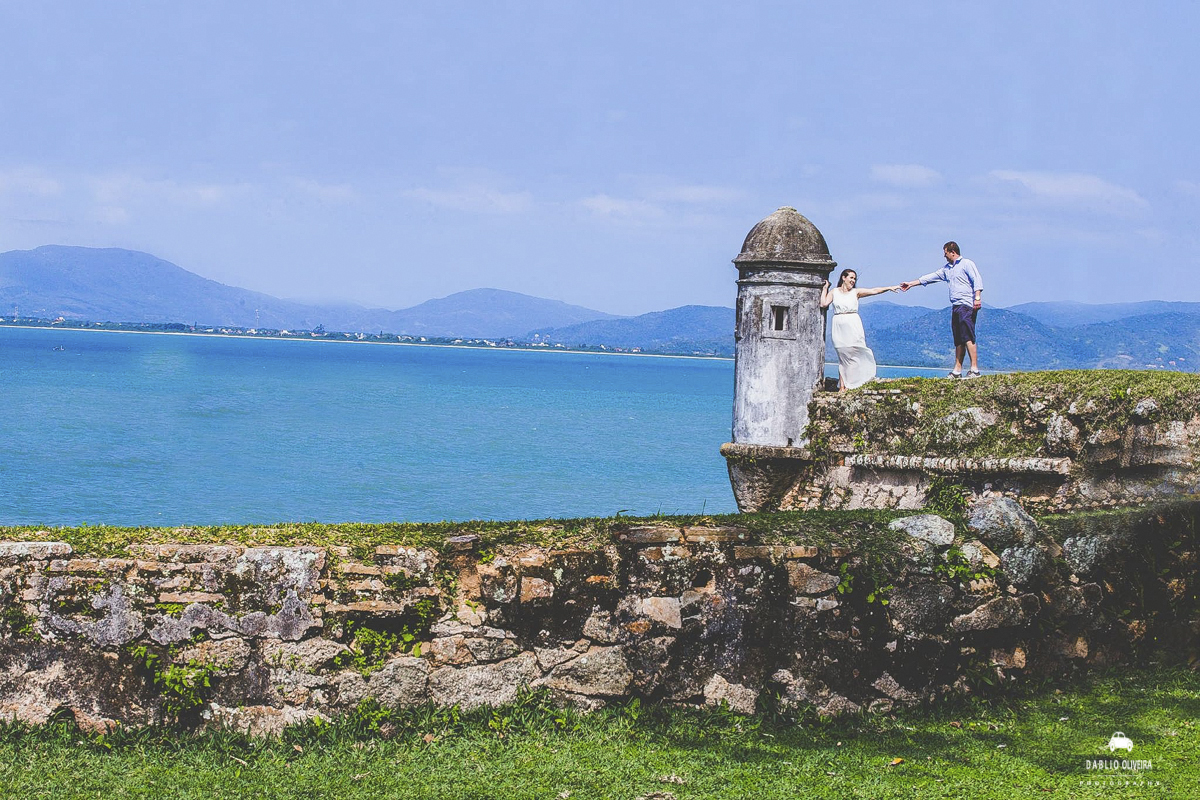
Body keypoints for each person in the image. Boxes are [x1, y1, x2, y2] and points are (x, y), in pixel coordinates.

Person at [900, 242, 983, 378]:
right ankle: (957, 369)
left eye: (945, 253)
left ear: (952, 252)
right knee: (958, 339)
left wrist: (977, 297)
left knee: (968, 336)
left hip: (966, 304)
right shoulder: (947, 269)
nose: (944, 256)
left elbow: (977, 279)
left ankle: (974, 369)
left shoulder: (967, 263)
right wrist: (911, 284)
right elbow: (932, 277)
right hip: (956, 306)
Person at [820, 269, 899, 391]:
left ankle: (855, 382)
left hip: (853, 324)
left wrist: (889, 287)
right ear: (843, 277)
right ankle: (842, 386)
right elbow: (823, 304)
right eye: (851, 277)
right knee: (843, 355)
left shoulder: (856, 292)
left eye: (854, 279)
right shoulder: (834, 292)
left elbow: (873, 290)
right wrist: (825, 288)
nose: (853, 281)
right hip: (839, 325)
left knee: (857, 351)